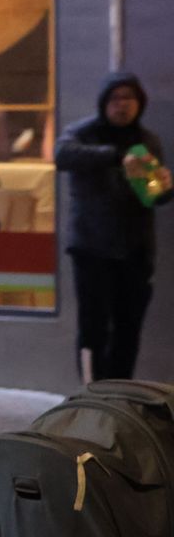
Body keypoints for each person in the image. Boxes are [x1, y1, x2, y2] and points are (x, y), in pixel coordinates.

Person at [56, 71, 173, 381]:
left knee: (128, 329)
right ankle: (91, 393)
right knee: (93, 328)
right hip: (92, 249)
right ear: (104, 102)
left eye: (130, 98)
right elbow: (62, 155)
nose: (123, 105)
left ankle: (121, 398)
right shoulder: (82, 133)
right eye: (116, 98)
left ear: (141, 103)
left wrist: (165, 187)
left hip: (135, 251)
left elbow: (154, 197)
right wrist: (115, 156)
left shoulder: (148, 141)